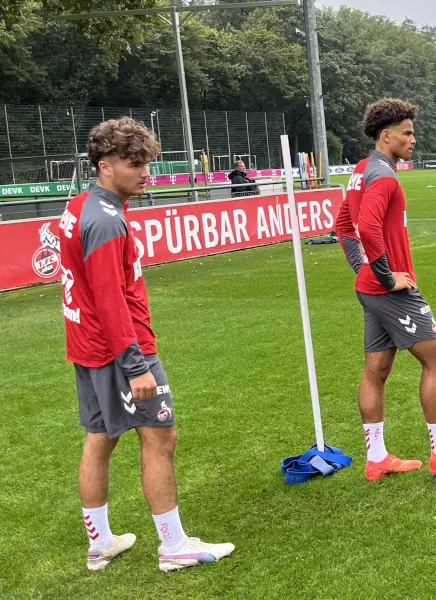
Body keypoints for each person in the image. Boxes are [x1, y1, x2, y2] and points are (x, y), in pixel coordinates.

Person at [60, 117, 233, 572]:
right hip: (120, 350)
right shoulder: (105, 220)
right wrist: (136, 366)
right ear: (103, 166)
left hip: (89, 348)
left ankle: (100, 543)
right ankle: (173, 546)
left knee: (100, 437)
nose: (144, 172)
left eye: (146, 163)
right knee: (160, 437)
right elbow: (110, 300)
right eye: (133, 163)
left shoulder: (82, 206)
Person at [334, 98, 436, 481]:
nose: (413, 139)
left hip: (369, 286)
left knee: (376, 369)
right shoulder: (383, 176)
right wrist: (386, 277)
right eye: (407, 133)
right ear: (386, 136)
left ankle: (377, 458)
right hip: (390, 289)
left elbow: (342, 227)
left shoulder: (361, 170)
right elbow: (365, 228)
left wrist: (364, 270)